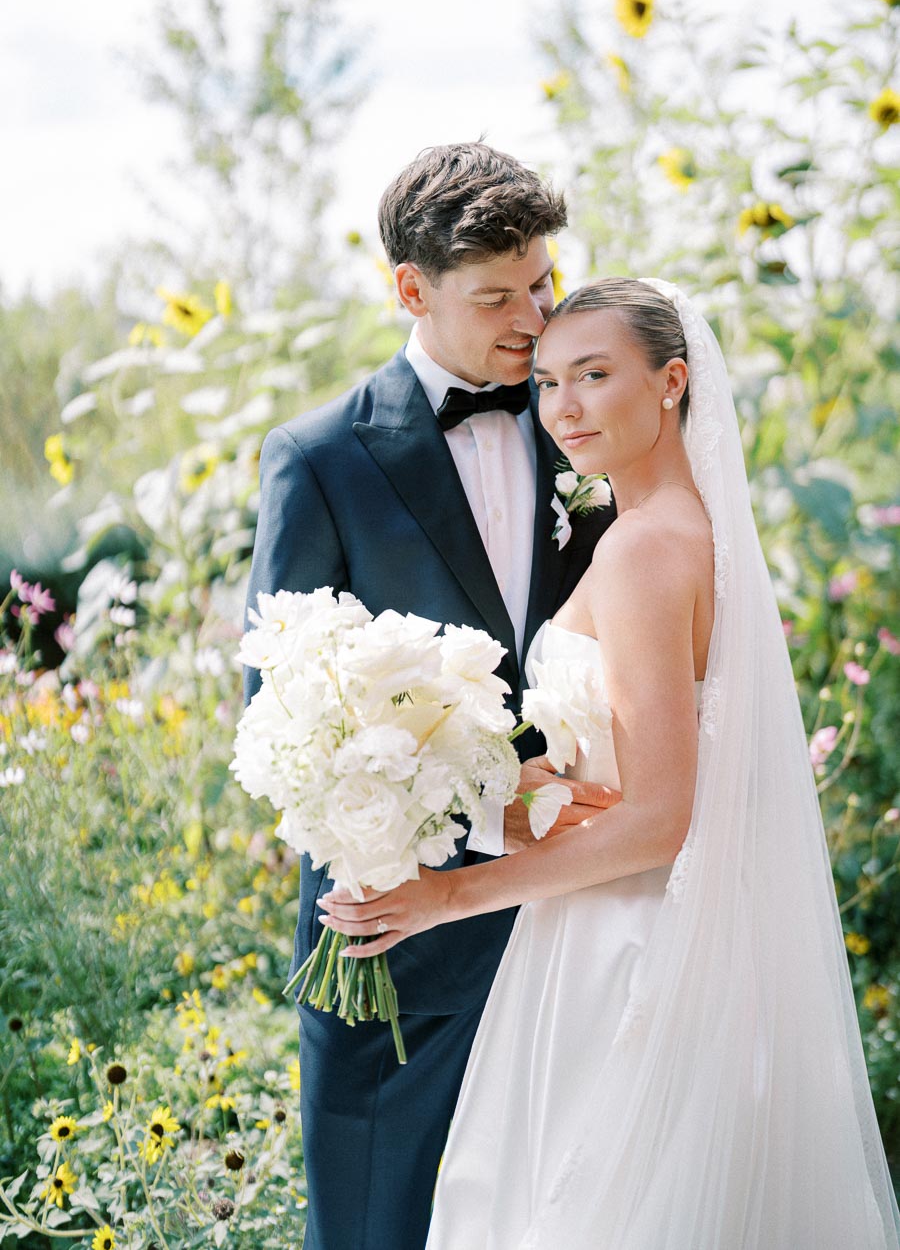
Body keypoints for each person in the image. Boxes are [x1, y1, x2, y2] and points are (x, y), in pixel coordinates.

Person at [320, 278, 900, 1249]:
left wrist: (446, 895)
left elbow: (660, 820)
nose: (565, 408)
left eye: (595, 375)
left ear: (673, 380)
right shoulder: (685, 536)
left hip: (623, 949)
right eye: (548, 381)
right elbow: (666, 788)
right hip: (649, 928)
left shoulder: (642, 552)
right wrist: (516, 796)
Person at [242, 142, 614, 1250]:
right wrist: (477, 812)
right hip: (395, 945)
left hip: (578, 922)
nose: (535, 318)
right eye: (498, 296)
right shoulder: (320, 460)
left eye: (543, 285)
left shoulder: (586, 428)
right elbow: (286, 714)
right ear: (411, 289)